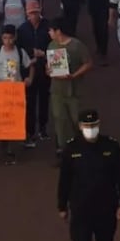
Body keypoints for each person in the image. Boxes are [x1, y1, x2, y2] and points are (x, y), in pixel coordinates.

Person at [57, 110, 120, 241]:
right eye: (87, 126)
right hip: (81, 210)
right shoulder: (71, 148)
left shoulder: (111, 147)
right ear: (81, 126)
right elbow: (64, 180)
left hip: (106, 209)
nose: (91, 129)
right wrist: (62, 206)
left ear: (99, 124)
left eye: (94, 125)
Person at [47, 17, 93, 161]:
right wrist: (48, 71)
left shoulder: (77, 46)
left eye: (51, 30)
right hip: (57, 90)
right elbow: (48, 65)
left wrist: (74, 75)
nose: (49, 33)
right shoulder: (51, 46)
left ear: (58, 31)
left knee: (76, 120)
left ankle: (84, 148)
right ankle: (63, 151)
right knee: (60, 120)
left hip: (74, 90)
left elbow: (88, 63)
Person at [0, 24, 33, 165]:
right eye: (5, 38)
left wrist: (29, 78)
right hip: (2, 91)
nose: (8, 41)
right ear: (1, 38)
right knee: (3, 118)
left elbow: (30, 66)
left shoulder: (20, 52)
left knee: (18, 117)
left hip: (16, 91)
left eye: (10, 38)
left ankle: (18, 140)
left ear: (15, 38)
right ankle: (6, 147)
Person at [17, 0, 51, 146]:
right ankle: (30, 132)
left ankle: (43, 128)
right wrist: (32, 52)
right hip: (29, 71)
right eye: (31, 13)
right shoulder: (22, 29)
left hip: (45, 69)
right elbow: (19, 48)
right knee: (29, 102)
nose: (33, 16)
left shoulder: (49, 27)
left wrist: (45, 54)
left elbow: (56, 46)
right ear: (26, 14)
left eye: (36, 12)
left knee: (44, 99)